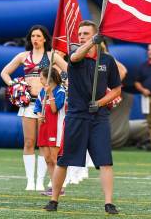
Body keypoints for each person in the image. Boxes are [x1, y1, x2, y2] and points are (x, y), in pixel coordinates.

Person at [44, 20, 121, 214]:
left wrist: (101, 102)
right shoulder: (75, 56)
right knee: (64, 159)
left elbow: (117, 89)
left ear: (96, 35)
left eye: (86, 34)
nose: (81, 37)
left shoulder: (107, 60)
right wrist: (91, 42)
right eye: (80, 34)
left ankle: (109, 203)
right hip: (77, 115)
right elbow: (77, 55)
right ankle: (54, 200)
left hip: (99, 116)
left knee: (105, 161)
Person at [0, 25, 67, 191]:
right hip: (29, 103)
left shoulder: (52, 56)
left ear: (45, 38)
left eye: (38, 36)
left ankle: (41, 181)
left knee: (43, 143)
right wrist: (15, 85)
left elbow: (68, 70)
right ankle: (30, 181)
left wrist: (62, 85)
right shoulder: (23, 56)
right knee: (29, 142)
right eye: (33, 36)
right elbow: (4, 73)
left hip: (46, 104)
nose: (35, 39)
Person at [34, 67, 66, 196]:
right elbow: (37, 107)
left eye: (41, 77)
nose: (40, 79)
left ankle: (59, 188)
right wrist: (38, 115)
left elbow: (54, 109)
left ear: (49, 78)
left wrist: (50, 94)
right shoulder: (42, 91)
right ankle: (54, 186)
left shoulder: (60, 91)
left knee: (54, 159)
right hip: (44, 127)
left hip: (55, 128)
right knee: (47, 159)